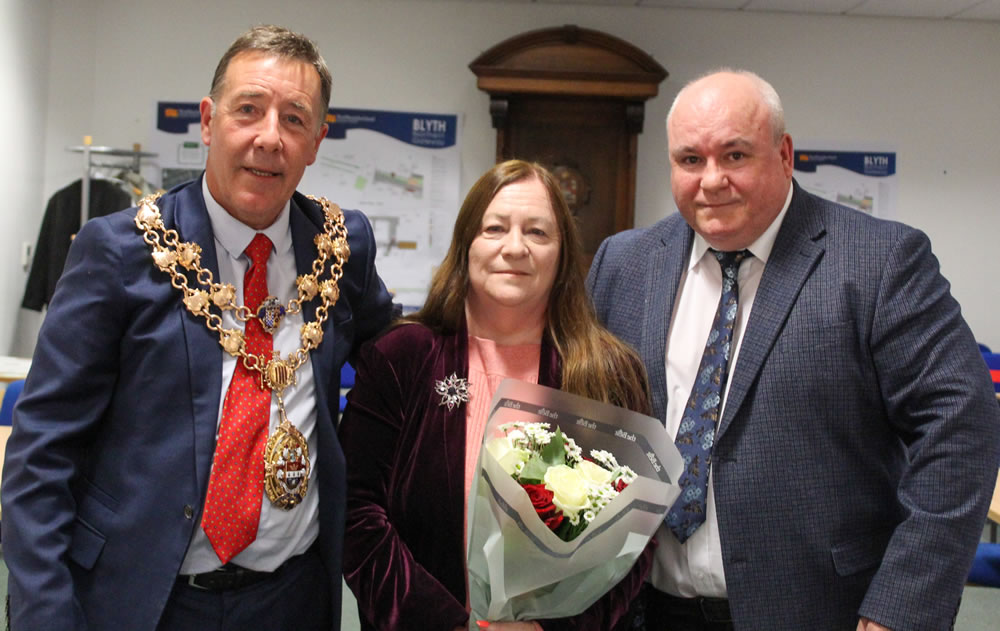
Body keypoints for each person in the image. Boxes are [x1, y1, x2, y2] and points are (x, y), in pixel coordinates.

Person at [1, 25, 394, 631]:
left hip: (292, 599)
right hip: (139, 599)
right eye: (248, 110)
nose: (270, 137)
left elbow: (399, 360)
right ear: (209, 122)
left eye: (295, 119)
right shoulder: (121, 251)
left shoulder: (341, 249)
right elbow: (40, 456)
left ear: (317, 140)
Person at [587, 69, 1000, 631]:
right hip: (643, 609)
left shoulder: (879, 262)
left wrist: (899, 609)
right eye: (690, 160)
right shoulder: (624, 264)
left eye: (735, 155)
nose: (711, 180)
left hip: (821, 612)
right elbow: (589, 422)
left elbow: (961, 430)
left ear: (784, 154)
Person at [338, 160, 653, 631]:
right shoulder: (401, 357)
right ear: (467, 245)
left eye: (538, 233)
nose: (514, 247)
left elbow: (633, 540)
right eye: (495, 228)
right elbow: (356, 511)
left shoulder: (607, 372)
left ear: (563, 253)